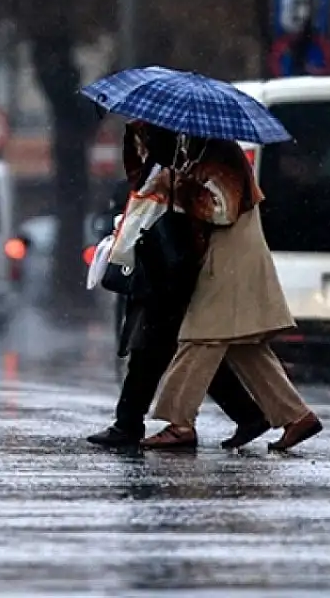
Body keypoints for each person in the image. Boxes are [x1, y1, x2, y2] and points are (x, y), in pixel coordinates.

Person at [87, 122, 270, 449]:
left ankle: (130, 423)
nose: (143, 137)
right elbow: (138, 183)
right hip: (156, 261)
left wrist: (179, 184)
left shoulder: (205, 156)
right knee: (175, 350)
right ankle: (246, 414)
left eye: (147, 131)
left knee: (154, 349)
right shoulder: (169, 157)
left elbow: (218, 210)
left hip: (172, 265)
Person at [139, 135, 322, 451]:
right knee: (243, 344)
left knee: (200, 337)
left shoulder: (222, 155)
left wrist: (177, 186)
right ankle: (296, 416)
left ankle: (179, 423)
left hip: (230, 258)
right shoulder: (202, 152)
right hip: (229, 256)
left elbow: (223, 211)